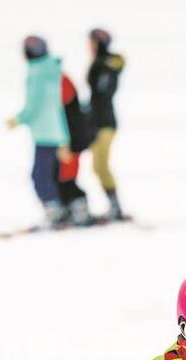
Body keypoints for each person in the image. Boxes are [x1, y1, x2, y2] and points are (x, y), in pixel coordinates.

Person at [8, 35, 71, 225]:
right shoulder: (52, 70)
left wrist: (18, 119)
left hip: (44, 133)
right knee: (48, 175)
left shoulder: (36, 73)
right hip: (56, 131)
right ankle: (59, 211)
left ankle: (55, 213)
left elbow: (34, 106)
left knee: (40, 176)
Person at [86, 28, 127, 220]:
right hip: (100, 121)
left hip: (102, 123)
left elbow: (102, 93)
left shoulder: (105, 63)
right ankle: (115, 206)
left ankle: (115, 207)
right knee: (99, 166)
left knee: (100, 166)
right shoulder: (104, 63)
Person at [58, 72, 95, 226]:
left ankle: (81, 213)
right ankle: (71, 211)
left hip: (72, 140)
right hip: (69, 138)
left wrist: (65, 142)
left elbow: (65, 109)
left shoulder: (61, 81)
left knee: (67, 178)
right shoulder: (58, 79)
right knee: (62, 177)